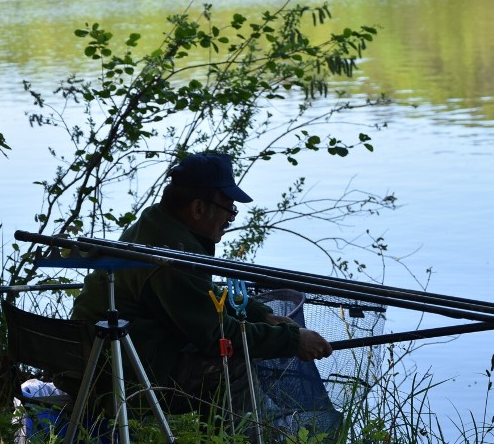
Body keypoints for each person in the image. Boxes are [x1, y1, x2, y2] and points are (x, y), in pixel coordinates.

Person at [70, 152, 333, 429]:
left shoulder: (156, 225)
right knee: (232, 364)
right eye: (229, 209)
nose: (230, 218)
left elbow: (203, 298)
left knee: (230, 353)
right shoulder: (172, 259)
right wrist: (292, 340)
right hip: (116, 376)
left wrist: (261, 314)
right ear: (197, 208)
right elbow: (221, 336)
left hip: (102, 359)